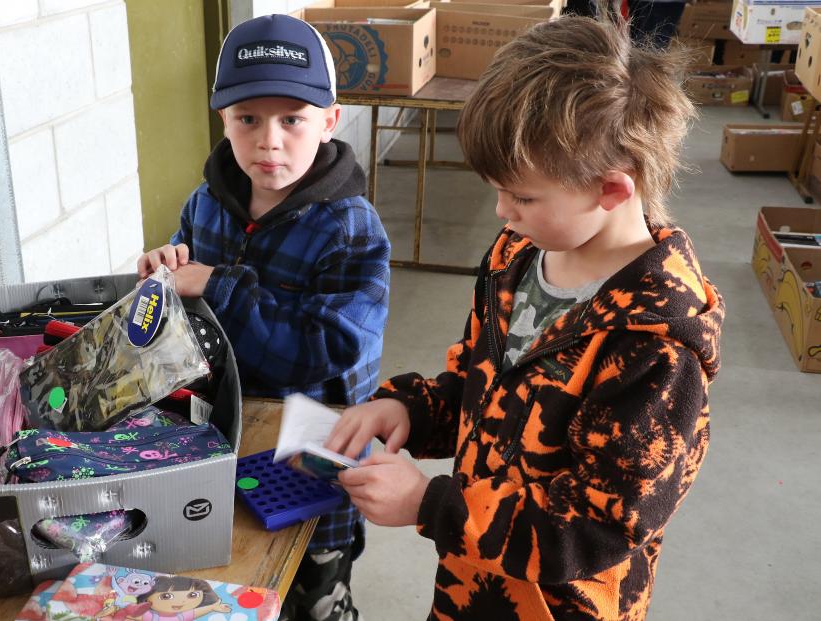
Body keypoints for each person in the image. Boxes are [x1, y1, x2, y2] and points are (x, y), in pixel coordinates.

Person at [326, 16, 724, 621]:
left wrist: (432, 506)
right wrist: (410, 409)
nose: (501, 210)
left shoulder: (656, 348)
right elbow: (482, 390)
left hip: (560, 606)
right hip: (474, 582)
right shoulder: (518, 257)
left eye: (523, 196)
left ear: (612, 191)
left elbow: (598, 526)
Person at [137, 13, 390, 621]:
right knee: (235, 579)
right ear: (222, 119)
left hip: (313, 460)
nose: (268, 140)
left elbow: (326, 347)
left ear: (329, 121)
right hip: (227, 432)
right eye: (247, 118)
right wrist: (164, 269)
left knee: (313, 591)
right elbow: (185, 290)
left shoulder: (350, 228)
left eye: (292, 120)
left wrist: (218, 287)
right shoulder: (206, 203)